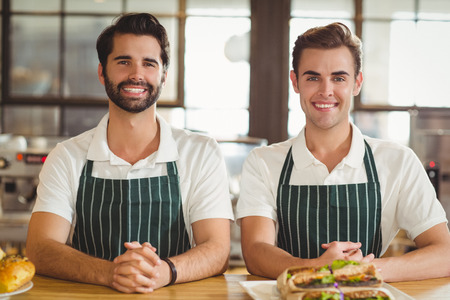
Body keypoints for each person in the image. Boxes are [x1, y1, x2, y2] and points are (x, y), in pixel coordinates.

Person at [26, 13, 233, 293]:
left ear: (163, 75)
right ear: (102, 72)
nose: (136, 74)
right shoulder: (67, 156)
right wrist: (110, 273)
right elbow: (40, 248)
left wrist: (163, 272)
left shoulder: (200, 152)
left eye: (148, 63)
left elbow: (218, 249)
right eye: (124, 62)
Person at [236, 22, 450, 282]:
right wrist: (317, 268)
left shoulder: (398, 161)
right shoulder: (264, 162)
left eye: (339, 78)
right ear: (295, 82)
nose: (326, 91)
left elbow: (444, 253)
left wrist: (365, 271)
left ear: (357, 83)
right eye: (313, 77)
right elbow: (256, 254)